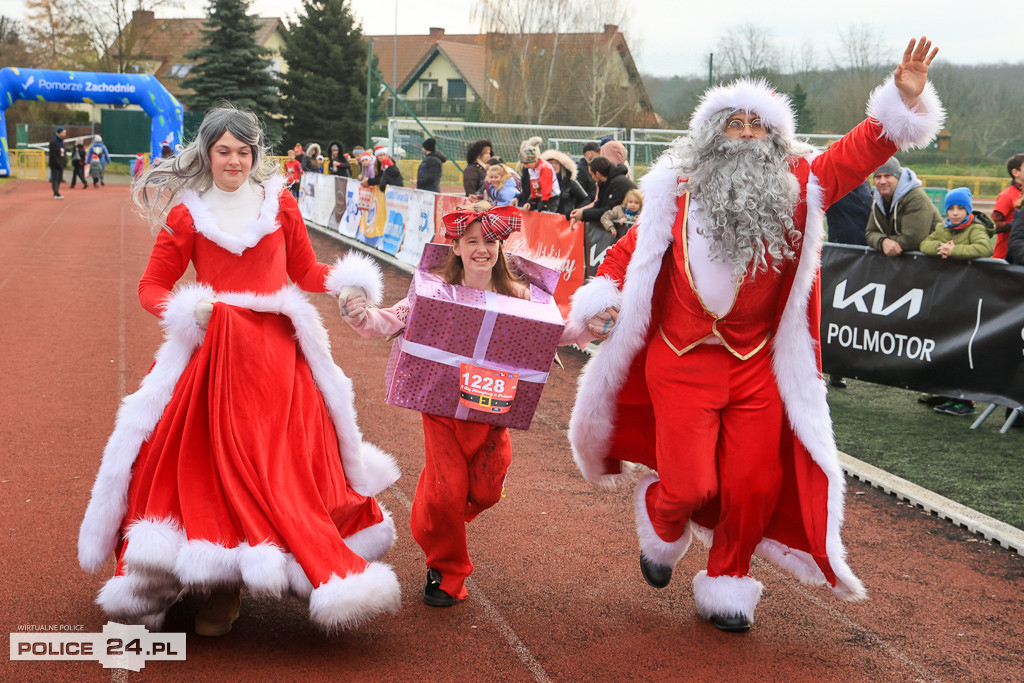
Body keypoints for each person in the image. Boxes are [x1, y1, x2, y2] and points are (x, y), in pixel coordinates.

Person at [565, 38, 944, 632]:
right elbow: (628, 255)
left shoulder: (802, 183)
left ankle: (727, 579)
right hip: (681, 361)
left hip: (756, 366)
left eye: (756, 126)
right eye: (733, 124)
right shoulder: (675, 188)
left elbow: (860, 150)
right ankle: (663, 516)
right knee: (689, 482)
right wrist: (603, 296)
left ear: (776, 137)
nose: (744, 134)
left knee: (754, 484)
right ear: (711, 133)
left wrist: (903, 98)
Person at [76, 105, 402, 636]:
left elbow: (304, 270)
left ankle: (260, 572)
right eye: (224, 150)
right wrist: (191, 310)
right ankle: (216, 584)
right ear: (207, 152)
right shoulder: (187, 213)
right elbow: (150, 287)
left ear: (256, 155)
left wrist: (345, 283)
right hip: (211, 358)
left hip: (278, 359)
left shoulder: (282, 204)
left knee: (281, 467)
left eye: (244, 151)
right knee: (204, 466)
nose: (234, 160)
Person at [338, 205, 592, 607]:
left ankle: (442, 515)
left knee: (486, 493)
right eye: (471, 241)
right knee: (446, 492)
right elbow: (388, 320)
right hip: (442, 410)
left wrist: (595, 324)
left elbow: (557, 331)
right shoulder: (434, 289)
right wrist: (360, 314)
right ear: (454, 246)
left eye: (489, 242)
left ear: (499, 246)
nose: (481, 250)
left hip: (493, 413)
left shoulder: (522, 294)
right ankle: (447, 570)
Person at [919, 187, 992, 417]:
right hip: (947, 298)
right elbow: (924, 245)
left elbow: (985, 248)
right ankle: (947, 392)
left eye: (960, 208)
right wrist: (941, 247)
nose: (955, 213)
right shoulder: (943, 228)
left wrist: (954, 250)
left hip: (969, 298)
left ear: (968, 210)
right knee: (945, 346)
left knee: (965, 349)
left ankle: (966, 401)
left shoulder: (976, 228)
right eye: (951, 208)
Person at [824, 180, 873, 387]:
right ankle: (828, 368)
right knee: (834, 315)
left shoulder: (866, 185)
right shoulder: (835, 182)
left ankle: (838, 368)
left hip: (866, 256)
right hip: (840, 258)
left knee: (853, 317)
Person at [865, 157, 940, 256]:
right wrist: (883, 241)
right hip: (905, 260)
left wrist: (884, 240)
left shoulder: (915, 197)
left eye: (887, 176)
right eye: (878, 177)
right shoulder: (877, 198)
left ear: (898, 178)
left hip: (934, 258)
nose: (882, 181)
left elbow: (912, 240)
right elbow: (870, 232)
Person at [569, 155, 636, 225]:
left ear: (597, 174)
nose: (592, 177)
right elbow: (599, 204)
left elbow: (608, 209)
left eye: (592, 174)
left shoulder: (619, 183)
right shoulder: (603, 182)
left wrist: (583, 214)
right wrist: (582, 213)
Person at [991, 154, 1023, 260]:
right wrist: (1016, 224)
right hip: (1005, 258)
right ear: (1015, 172)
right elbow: (993, 225)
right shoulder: (1007, 195)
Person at [540, 149, 590, 218]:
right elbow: (534, 197)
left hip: (565, 223)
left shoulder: (570, 182)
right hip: (545, 220)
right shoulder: (540, 182)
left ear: (561, 165)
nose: (554, 165)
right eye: (551, 163)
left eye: (557, 163)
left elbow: (586, 199)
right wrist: (529, 203)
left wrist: (575, 211)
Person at [516, 137, 559, 213]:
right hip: (540, 196)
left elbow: (546, 187)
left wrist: (544, 202)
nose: (525, 166)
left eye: (527, 163)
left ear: (534, 160)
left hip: (550, 198)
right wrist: (531, 200)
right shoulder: (531, 169)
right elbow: (533, 186)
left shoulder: (544, 168)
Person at [48, 126, 67, 199]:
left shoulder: (62, 143)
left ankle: (57, 192)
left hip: (61, 164)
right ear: (59, 133)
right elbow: (53, 155)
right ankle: (55, 193)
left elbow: (64, 153)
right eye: (63, 133)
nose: (64, 134)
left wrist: (65, 161)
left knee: (59, 179)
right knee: (55, 178)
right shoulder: (54, 142)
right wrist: (57, 163)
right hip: (55, 164)